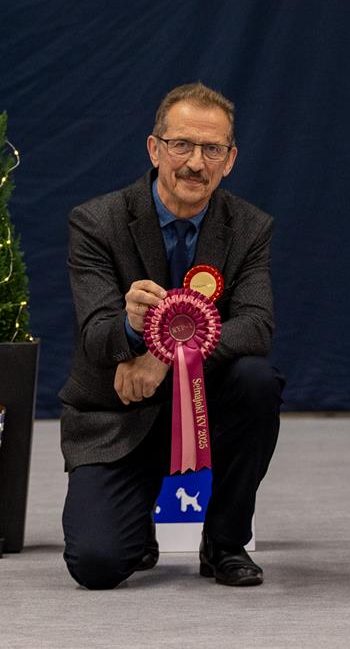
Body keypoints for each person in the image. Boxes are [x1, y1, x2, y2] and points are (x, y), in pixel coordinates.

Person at [59, 82, 283, 589]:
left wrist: (164, 357)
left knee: (257, 381)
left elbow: (257, 325)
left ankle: (225, 542)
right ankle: (136, 525)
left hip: (206, 410)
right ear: (154, 148)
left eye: (212, 149)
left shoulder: (250, 227)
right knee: (97, 566)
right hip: (117, 414)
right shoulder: (96, 222)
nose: (195, 163)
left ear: (230, 160)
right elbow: (95, 337)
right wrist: (132, 326)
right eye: (181, 144)